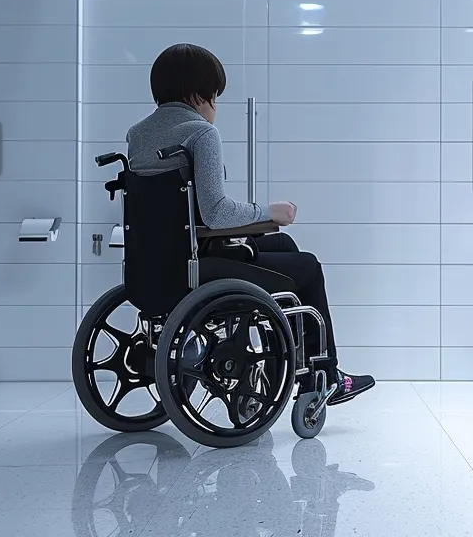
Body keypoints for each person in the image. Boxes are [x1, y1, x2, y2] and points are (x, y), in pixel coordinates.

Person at [125, 43, 376, 406]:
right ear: (198, 93)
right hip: (197, 267)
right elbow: (216, 213)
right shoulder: (200, 133)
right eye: (214, 94)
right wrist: (269, 212)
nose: (215, 104)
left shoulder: (138, 135)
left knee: (285, 249)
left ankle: (290, 370)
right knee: (307, 267)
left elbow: (184, 215)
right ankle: (324, 375)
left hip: (156, 263)